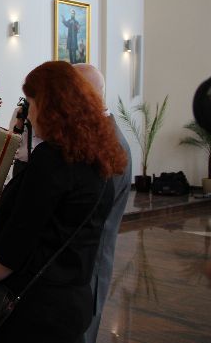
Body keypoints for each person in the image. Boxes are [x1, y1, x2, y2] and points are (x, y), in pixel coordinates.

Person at [0, 61, 127, 343]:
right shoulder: (98, 155)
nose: (29, 114)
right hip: (72, 298)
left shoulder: (52, 161)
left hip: (35, 308)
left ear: (52, 107)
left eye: (32, 104)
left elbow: (20, 237)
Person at [73, 63, 132, 343]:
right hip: (78, 261)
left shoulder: (110, 145)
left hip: (90, 263)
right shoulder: (95, 134)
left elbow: (85, 210)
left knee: (81, 331)